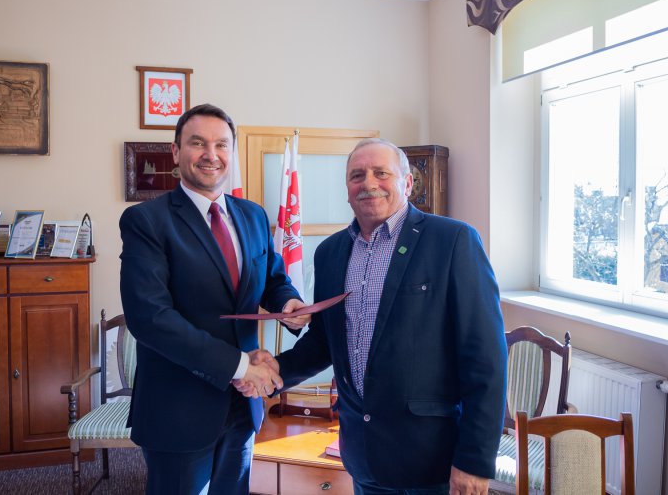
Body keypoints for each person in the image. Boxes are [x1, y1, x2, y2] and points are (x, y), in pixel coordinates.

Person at [239, 138, 507, 495]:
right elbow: (325, 342)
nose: (368, 183)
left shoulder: (453, 241)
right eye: (357, 175)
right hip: (362, 457)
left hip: (433, 461)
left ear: (407, 183)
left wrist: (474, 459)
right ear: (347, 189)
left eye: (381, 173)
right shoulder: (330, 252)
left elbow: (485, 358)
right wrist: (275, 371)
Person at [119, 103, 309, 495]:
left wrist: (287, 302)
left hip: (243, 406)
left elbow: (272, 277)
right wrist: (239, 366)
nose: (211, 154)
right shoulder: (147, 221)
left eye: (221, 144)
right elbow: (150, 319)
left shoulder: (253, 215)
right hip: (179, 408)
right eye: (198, 143)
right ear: (176, 152)